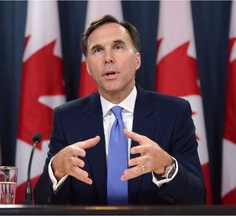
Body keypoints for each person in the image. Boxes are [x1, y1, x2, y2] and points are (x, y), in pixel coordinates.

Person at [34, 14, 206, 205]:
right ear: (89, 68)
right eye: (98, 50)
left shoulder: (174, 113)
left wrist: (167, 167)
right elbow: (42, 203)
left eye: (118, 47)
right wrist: (56, 170)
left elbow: (197, 199)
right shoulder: (67, 118)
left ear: (137, 60)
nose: (108, 58)